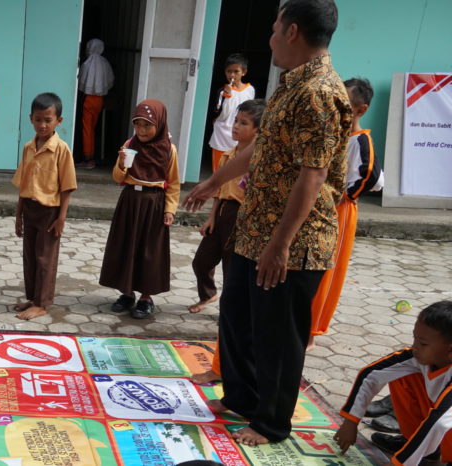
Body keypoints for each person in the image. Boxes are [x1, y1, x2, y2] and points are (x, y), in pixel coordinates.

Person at [182, 0, 353, 445]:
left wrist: (280, 245)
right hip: (255, 231)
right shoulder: (288, 85)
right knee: (237, 318)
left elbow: (312, 176)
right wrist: (211, 184)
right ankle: (240, 397)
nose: (270, 36)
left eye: (275, 28)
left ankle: (271, 423)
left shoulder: (319, 92)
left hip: (292, 244)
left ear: (293, 31)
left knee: (278, 337)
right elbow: (257, 150)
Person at [188, 99, 265, 387]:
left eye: (243, 123)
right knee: (202, 261)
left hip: (243, 217)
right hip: (223, 213)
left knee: (233, 273)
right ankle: (208, 294)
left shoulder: (259, 161)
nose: (235, 127)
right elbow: (219, 190)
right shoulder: (228, 156)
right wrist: (211, 217)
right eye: (235, 121)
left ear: (258, 130)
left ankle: (228, 316)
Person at [309, 77, 383, 340]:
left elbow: (371, 177)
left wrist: (343, 196)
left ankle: (313, 329)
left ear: (360, 110)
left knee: (328, 268)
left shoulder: (360, 141)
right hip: (318, 207)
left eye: (344, 103)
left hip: (340, 210)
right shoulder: (331, 135)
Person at [334, 301, 452, 465]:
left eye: (423, 343)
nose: (414, 347)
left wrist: (399, 462)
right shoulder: (417, 356)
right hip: (440, 415)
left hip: (444, 420)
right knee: (400, 375)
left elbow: (438, 423)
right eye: (415, 338)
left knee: (444, 421)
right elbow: (371, 374)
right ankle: (420, 448)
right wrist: (351, 421)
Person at [99, 100, 180, 320]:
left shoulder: (169, 150)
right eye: (138, 125)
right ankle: (126, 293)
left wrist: (170, 209)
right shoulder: (129, 144)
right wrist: (122, 163)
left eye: (148, 125)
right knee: (126, 246)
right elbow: (118, 178)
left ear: (160, 124)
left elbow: (173, 183)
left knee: (149, 251)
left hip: (154, 204)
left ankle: (146, 298)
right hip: (130, 202)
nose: (142, 130)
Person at [11, 93, 76, 321]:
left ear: (59, 120)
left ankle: (42, 303)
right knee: (30, 256)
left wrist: (61, 218)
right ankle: (33, 297)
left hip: (50, 212)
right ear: (31, 119)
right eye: (38, 119)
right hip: (30, 208)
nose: (43, 125)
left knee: (45, 259)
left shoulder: (61, 149)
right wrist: (18, 215)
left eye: (48, 120)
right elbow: (23, 184)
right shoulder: (29, 147)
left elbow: (67, 187)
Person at [208, 53, 255, 171]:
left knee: (236, 172)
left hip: (241, 137)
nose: (232, 75)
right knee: (219, 170)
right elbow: (220, 115)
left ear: (244, 72)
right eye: (229, 71)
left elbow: (251, 113)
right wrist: (227, 95)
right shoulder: (222, 91)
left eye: (236, 71)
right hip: (222, 137)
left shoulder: (250, 90)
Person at [77, 38, 114, 170]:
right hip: (100, 99)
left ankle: (88, 158)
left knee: (87, 129)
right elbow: (110, 81)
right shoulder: (105, 64)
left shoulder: (87, 63)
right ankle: (90, 157)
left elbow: (80, 81)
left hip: (88, 99)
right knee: (92, 128)